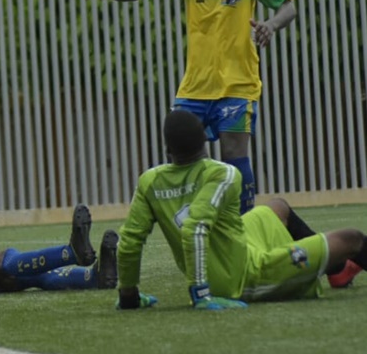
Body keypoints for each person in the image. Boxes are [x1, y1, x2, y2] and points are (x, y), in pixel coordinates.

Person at [84, 0, 297, 215]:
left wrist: (271, 25)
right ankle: (194, 216)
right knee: (179, 156)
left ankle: (244, 224)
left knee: (234, 154)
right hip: (194, 88)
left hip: (237, 83)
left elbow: (288, 6)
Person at [115, 110, 367, 310]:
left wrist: (128, 294)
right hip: (244, 277)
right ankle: (332, 262)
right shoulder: (223, 173)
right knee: (352, 239)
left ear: (168, 150)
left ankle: (337, 270)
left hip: (239, 248)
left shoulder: (150, 180)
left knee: (277, 208)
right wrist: (201, 294)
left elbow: (129, 241)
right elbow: (195, 228)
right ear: (205, 139)